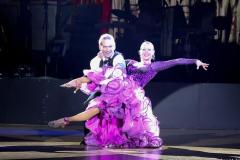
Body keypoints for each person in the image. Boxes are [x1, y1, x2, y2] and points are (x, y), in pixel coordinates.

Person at [49, 41, 209, 148]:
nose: (146, 52)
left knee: (116, 118)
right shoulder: (129, 62)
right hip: (117, 88)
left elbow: (175, 61)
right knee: (99, 106)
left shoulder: (154, 66)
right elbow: (111, 66)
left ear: (153, 53)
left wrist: (195, 61)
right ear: (140, 51)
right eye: (144, 49)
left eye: (149, 49)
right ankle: (70, 109)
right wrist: (101, 60)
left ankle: (67, 119)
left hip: (133, 97)